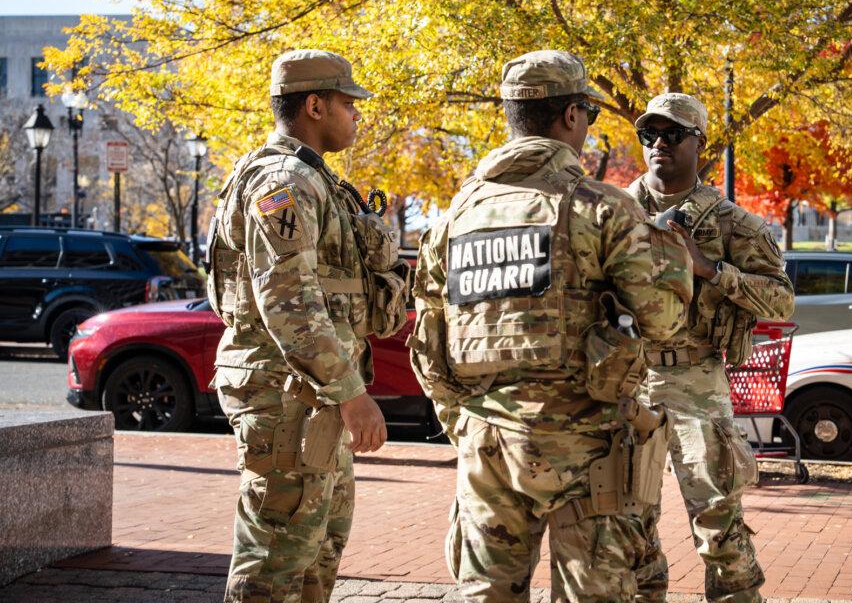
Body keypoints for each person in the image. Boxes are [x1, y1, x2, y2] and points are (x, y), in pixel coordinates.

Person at [408, 50, 694, 602]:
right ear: (570, 117)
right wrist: (676, 267)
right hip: (589, 452)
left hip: (487, 445)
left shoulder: (456, 216)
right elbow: (662, 322)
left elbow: (429, 341)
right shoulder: (604, 209)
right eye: (587, 111)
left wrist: (467, 422)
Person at [205, 49, 410, 603]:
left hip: (312, 400)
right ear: (314, 105)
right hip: (287, 398)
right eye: (348, 103)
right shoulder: (284, 184)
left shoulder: (314, 180)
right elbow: (287, 299)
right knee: (274, 564)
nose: (357, 115)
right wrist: (351, 394)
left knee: (316, 556)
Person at [625, 93, 795, 603]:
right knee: (628, 524)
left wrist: (711, 270)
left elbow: (781, 301)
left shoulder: (733, 224)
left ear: (700, 143)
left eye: (672, 134)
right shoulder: (609, 213)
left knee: (719, 523)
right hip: (626, 382)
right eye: (648, 135)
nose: (659, 144)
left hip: (695, 380)